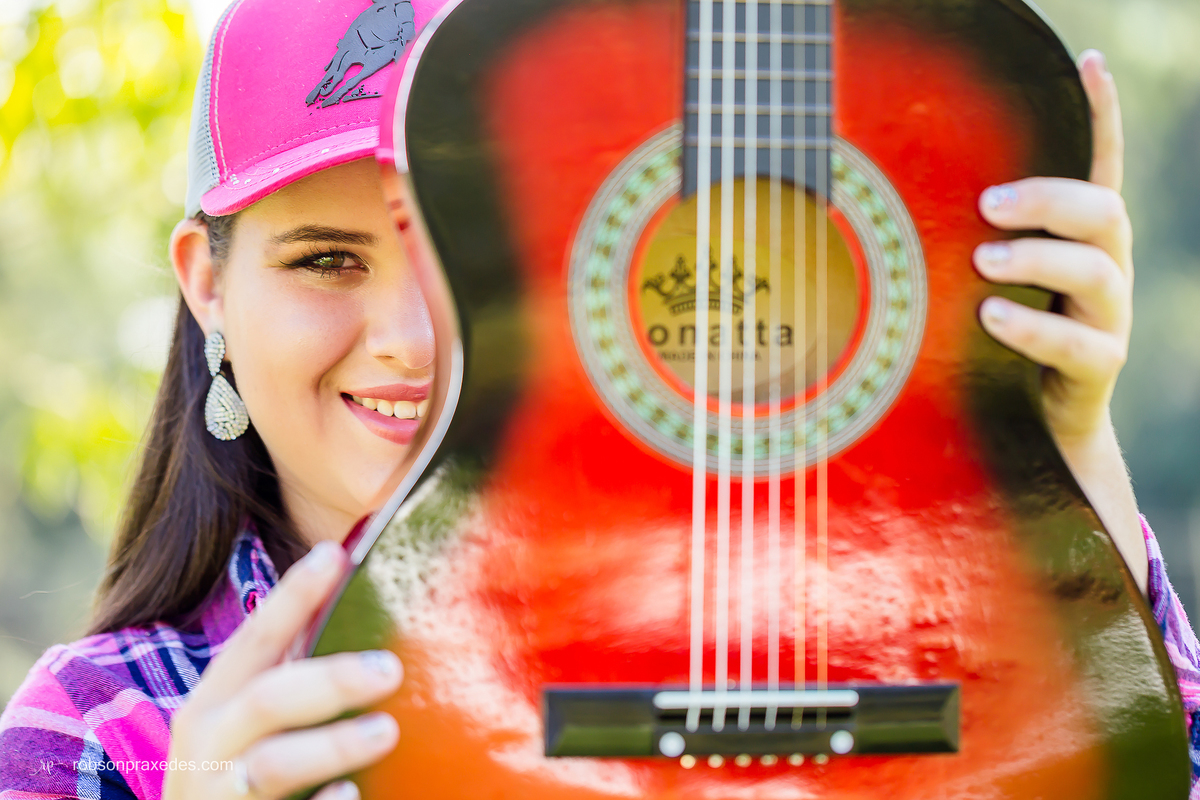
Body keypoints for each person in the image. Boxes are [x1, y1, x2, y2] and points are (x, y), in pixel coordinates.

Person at [0, 0, 1196, 798]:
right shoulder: (97, 728)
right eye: (326, 259)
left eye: (464, 256)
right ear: (208, 285)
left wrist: (1061, 458)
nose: (411, 337)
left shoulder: (805, 661)